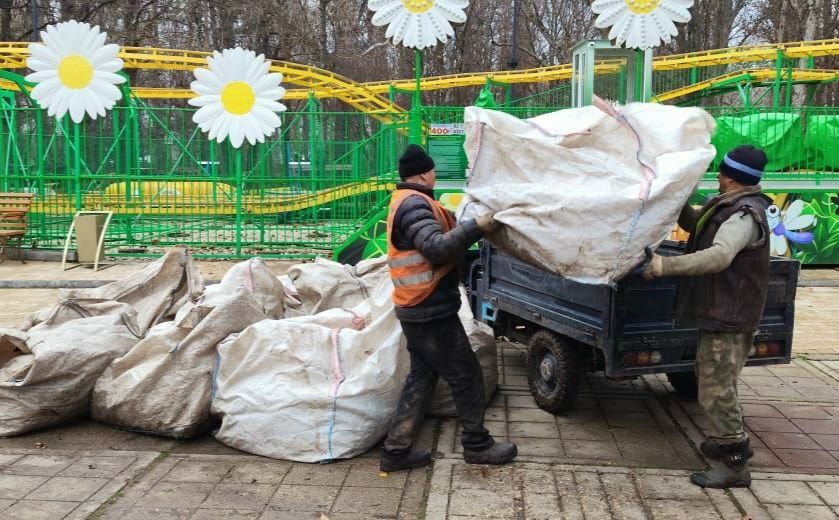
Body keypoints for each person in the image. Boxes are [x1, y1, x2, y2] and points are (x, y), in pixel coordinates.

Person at [380, 144, 518, 472]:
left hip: (418, 307)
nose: (435, 175)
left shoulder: (411, 201)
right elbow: (436, 248)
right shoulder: (414, 204)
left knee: (422, 377)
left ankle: (396, 451)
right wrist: (477, 227)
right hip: (429, 309)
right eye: (433, 170)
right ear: (424, 173)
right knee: (466, 374)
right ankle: (477, 445)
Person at [643, 145, 772, 488]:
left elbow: (720, 256)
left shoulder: (744, 215)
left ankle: (733, 466)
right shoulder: (728, 204)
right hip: (722, 313)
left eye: (722, 170)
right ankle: (729, 448)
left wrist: (664, 266)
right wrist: (678, 196)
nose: (717, 175)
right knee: (716, 384)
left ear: (731, 176)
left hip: (729, 316)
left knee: (717, 390)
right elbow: (694, 224)